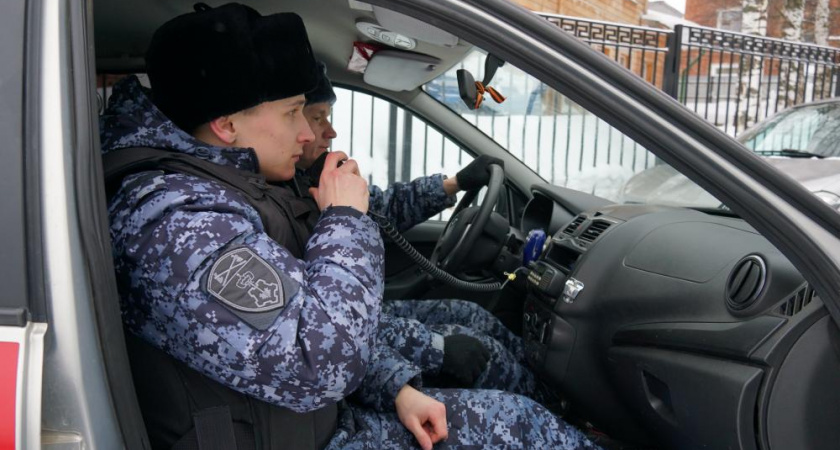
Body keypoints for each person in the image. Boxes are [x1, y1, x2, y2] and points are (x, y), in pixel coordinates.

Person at [102, 3, 600, 449]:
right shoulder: (174, 220)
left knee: (515, 416)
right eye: (294, 111)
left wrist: (396, 387)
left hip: (307, 421)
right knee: (519, 428)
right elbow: (317, 362)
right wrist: (345, 219)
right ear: (228, 125)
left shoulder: (228, 186)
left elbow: (301, 331)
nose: (308, 131)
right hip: (304, 425)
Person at [296, 63, 539, 398]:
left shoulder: (300, 183)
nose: (330, 131)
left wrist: (454, 184)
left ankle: (545, 389)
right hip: (349, 343)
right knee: (482, 353)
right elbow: (327, 331)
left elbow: (380, 210)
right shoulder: (277, 201)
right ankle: (550, 404)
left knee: (469, 314)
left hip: (362, 322)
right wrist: (437, 349)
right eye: (318, 116)